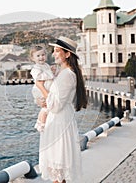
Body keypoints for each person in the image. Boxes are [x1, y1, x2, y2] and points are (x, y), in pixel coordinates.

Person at [38, 36, 87, 183]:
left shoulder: (66, 75)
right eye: (53, 51)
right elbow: (55, 100)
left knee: (58, 170)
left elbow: (56, 104)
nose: (54, 54)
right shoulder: (66, 73)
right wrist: (46, 100)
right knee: (58, 172)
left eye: (57, 51)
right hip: (60, 121)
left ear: (67, 54)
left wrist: (40, 87)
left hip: (59, 123)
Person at [29, 45, 54, 132]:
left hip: (46, 88)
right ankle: (42, 124)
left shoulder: (46, 65)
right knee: (45, 108)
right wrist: (50, 74)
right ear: (33, 58)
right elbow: (39, 77)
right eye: (38, 56)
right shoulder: (35, 68)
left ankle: (40, 122)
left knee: (46, 108)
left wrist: (51, 70)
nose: (41, 57)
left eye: (43, 55)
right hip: (39, 90)